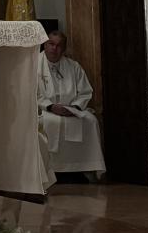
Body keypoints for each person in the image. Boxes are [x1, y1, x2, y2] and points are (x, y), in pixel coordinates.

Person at [36, 31, 107, 179]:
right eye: (51, 44)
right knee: (49, 122)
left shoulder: (73, 66)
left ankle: (87, 168)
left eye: (59, 45)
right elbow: (32, 93)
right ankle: (50, 171)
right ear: (44, 44)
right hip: (45, 110)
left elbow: (85, 91)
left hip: (70, 110)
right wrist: (50, 106)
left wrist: (74, 108)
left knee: (91, 121)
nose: (54, 49)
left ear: (64, 49)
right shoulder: (34, 65)